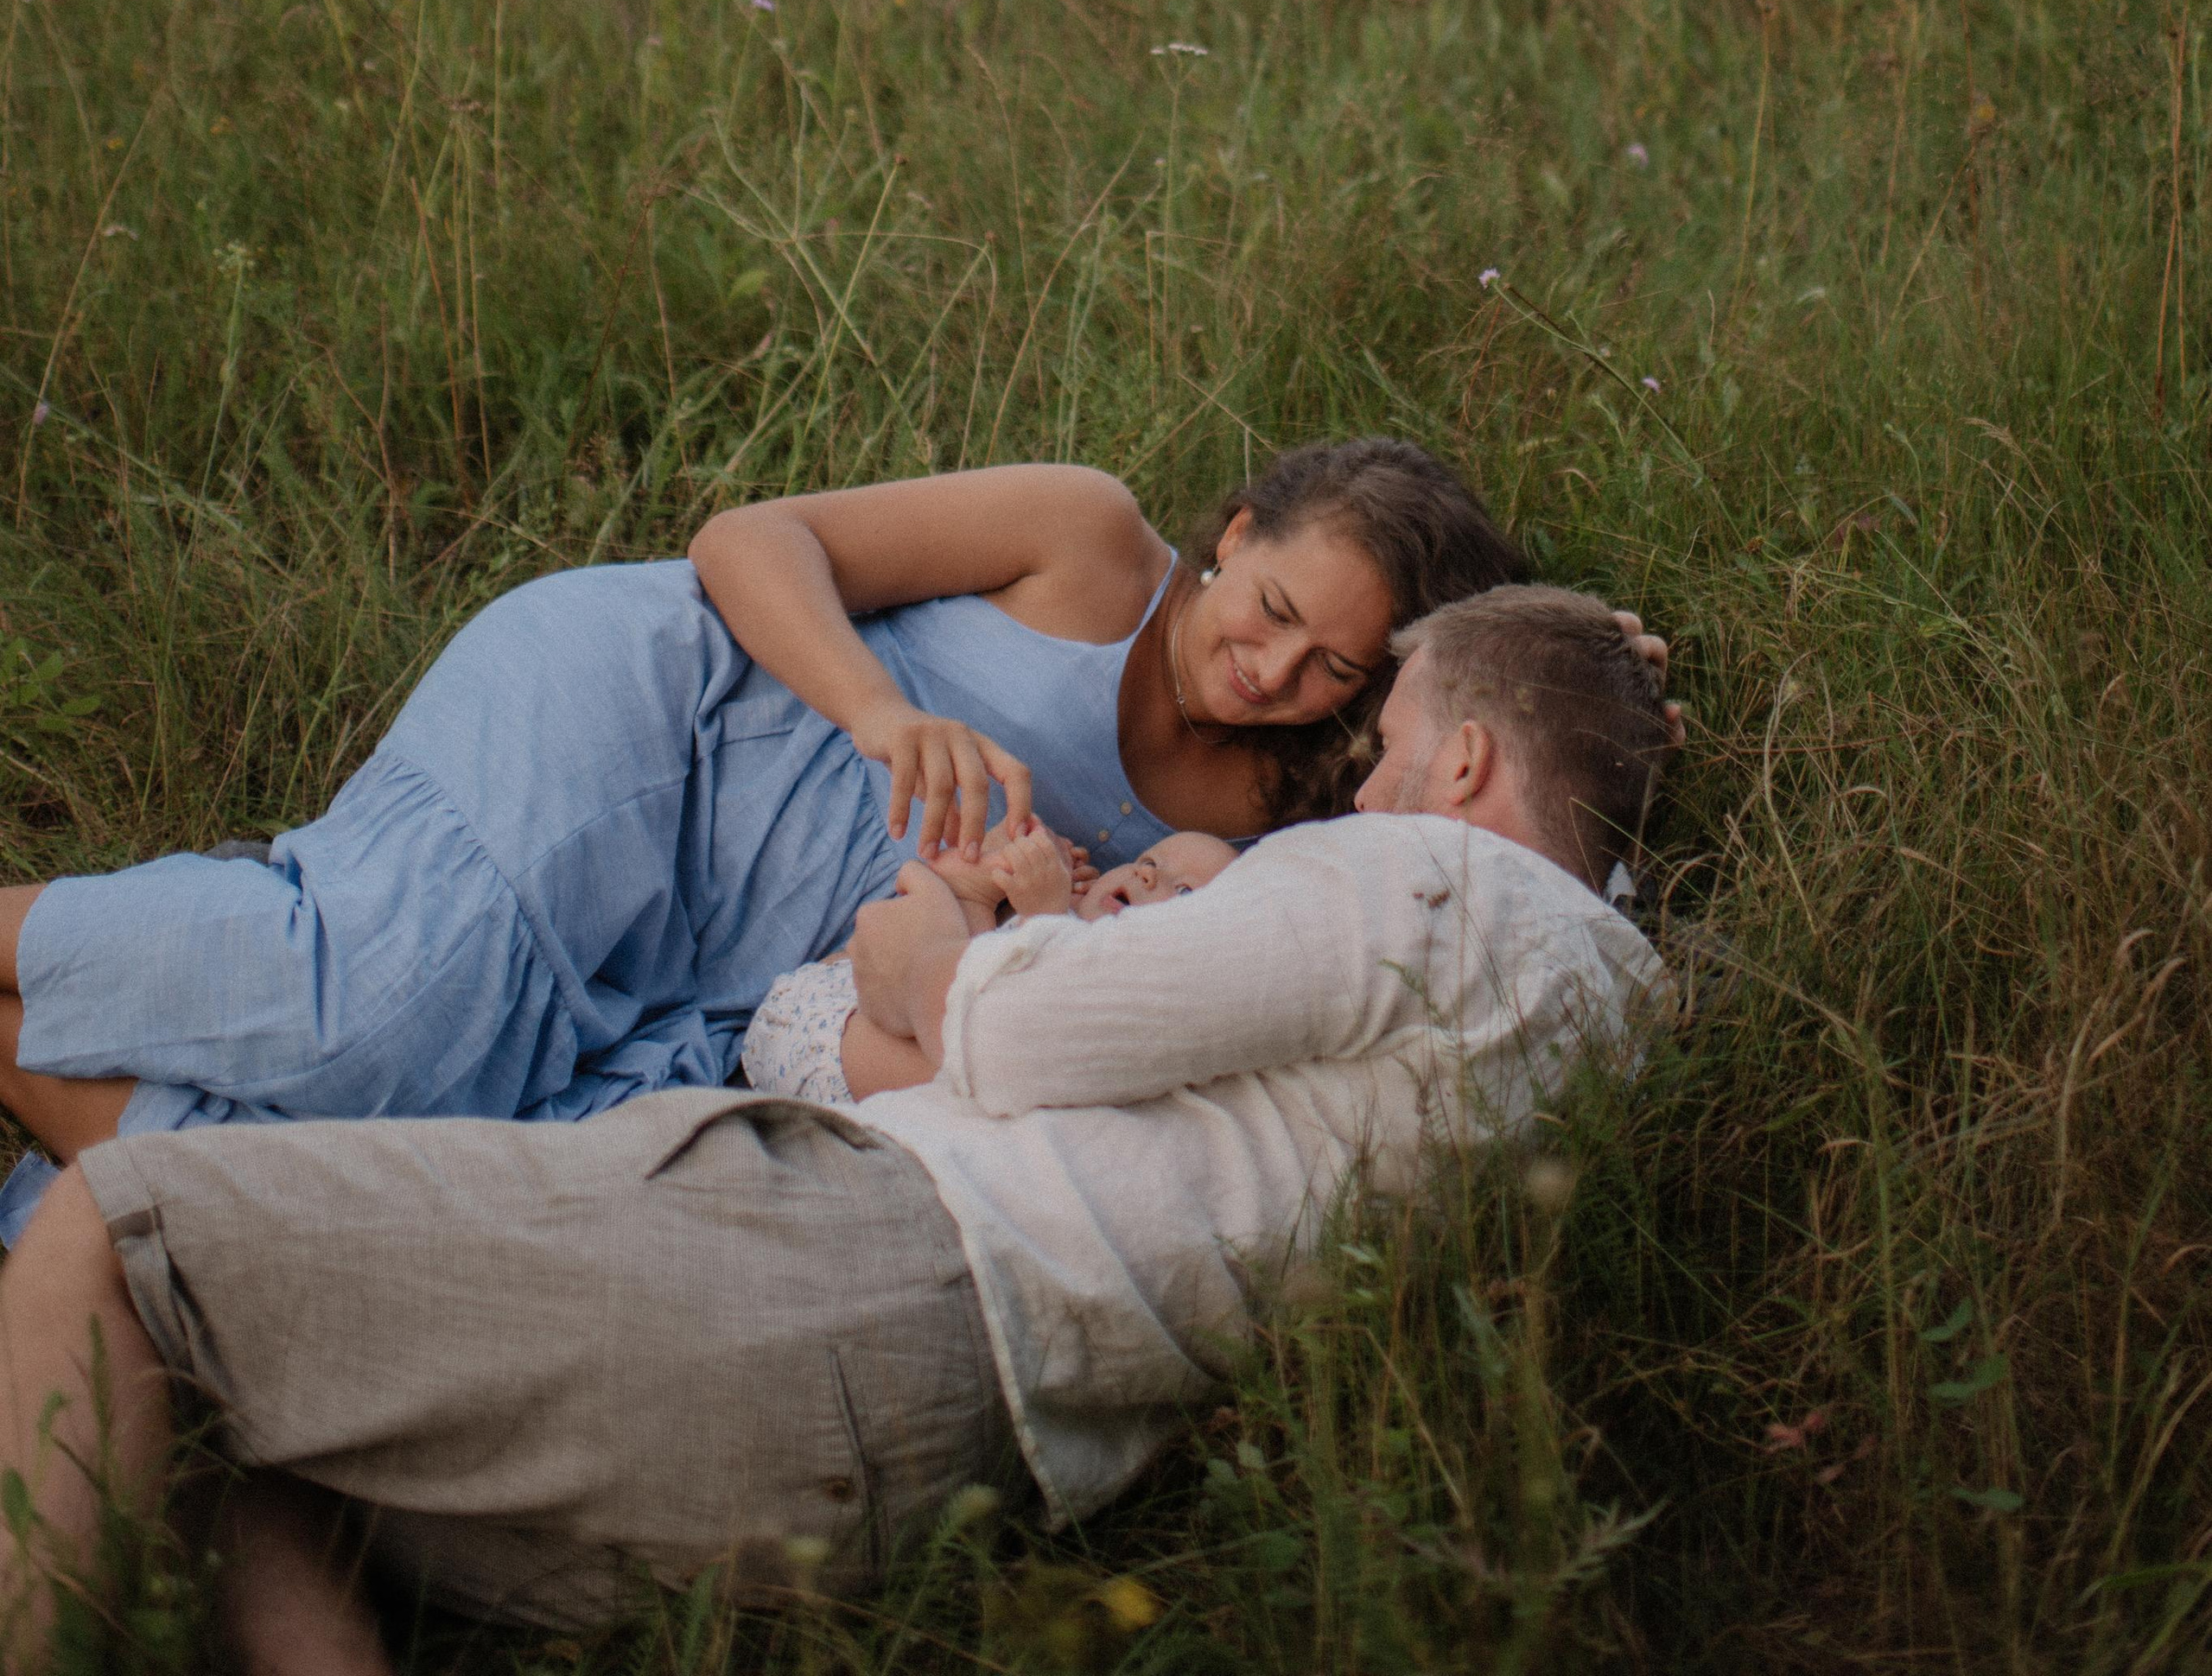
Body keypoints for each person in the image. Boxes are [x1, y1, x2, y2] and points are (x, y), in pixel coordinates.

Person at [0, 585, 1675, 1673]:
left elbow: (1014, 1025)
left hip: (846, 1279)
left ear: (1462, 766)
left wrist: (945, 944)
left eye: (1381, 753)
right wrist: (1585, 681)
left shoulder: (1424, 875)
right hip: (951, 1468)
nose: (1355, 794)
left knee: (114, 1231)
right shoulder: (1613, 1021)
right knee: (245, 1428)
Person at [0, 441, 1608, 1231]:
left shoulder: (1286, 807)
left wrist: (1601, 663)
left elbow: (1498, 799)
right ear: (1236, 533)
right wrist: (875, 711)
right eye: (1267, 608)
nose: (1269, 670)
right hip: (672, 731)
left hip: (727, 976)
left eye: (1329, 666)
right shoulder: (1089, 544)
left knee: (402, 1177)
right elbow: (748, 540)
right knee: (370, 1009)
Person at [741, 821, 1239, 1106]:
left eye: (1185, 891)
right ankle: (964, 892)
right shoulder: (1069, 926)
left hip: (832, 1053)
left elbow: (1012, 1018)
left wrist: (1042, 911)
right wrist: (1032, 900)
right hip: (823, 1022)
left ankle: (960, 894)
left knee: (969, 1051)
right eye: (1149, 862)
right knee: (962, 1017)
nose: (1150, 878)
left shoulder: (1116, 982)